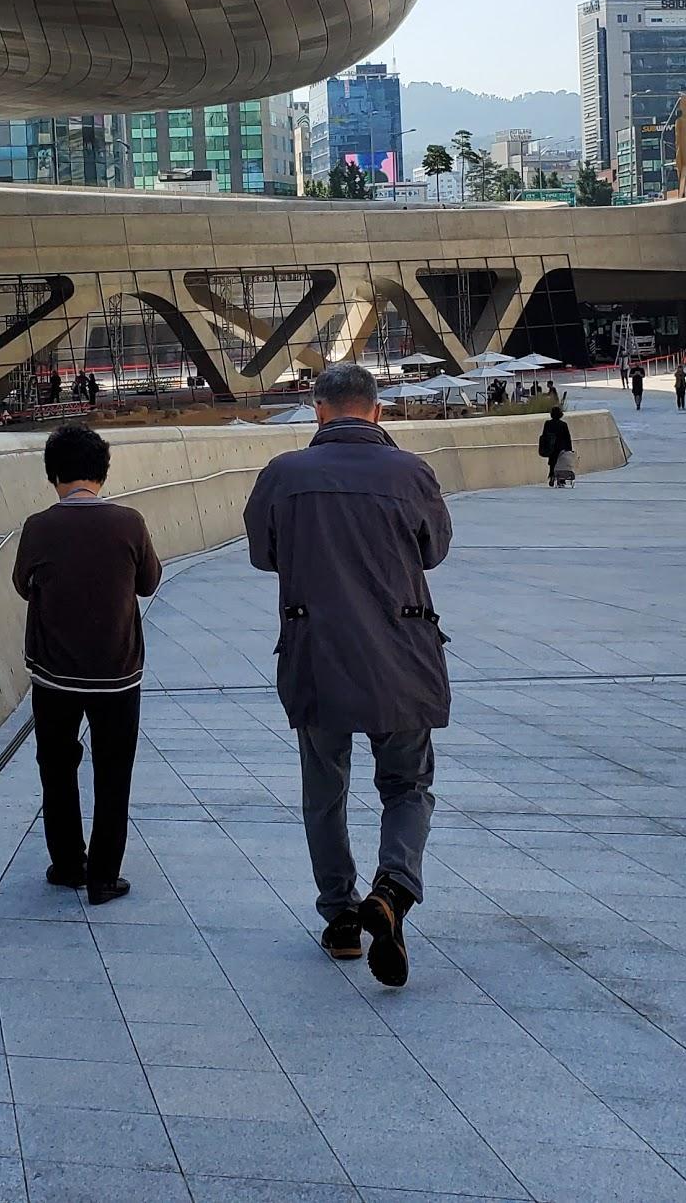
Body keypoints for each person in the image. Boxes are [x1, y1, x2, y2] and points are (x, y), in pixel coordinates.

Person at [244, 364, 453, 987]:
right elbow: (434, 550)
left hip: (316, 656)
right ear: (377, 411)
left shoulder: (283, 475)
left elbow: (264, 554)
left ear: (317, 410)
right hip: (402, 658)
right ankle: (393, 888)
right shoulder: (411, 473)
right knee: (408, 786)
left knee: (325, 792)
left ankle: (340, 919)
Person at [11, 425, 162, 905]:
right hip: (117, 673)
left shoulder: (39, 526)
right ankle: (103, 876)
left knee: (56, 767)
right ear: (102, 472)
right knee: (114, 771)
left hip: (53, 673)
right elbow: (149, 582)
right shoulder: (129, 522)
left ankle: (68, 863)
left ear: (53, 474)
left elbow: (22, 584)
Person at [537, 404, 574, 487]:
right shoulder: (563, 424)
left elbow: (544, 435)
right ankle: (561, 479)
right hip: (561, 447)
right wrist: (569, 449)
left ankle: (552, 476)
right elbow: (567, 437)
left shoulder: (548, 423)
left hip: (551, 446)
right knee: (561, 464)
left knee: (552, 463)